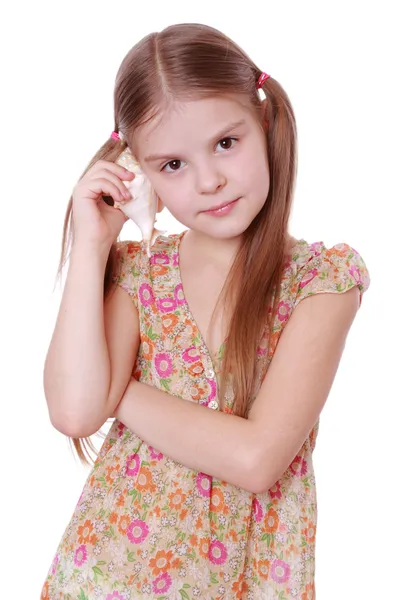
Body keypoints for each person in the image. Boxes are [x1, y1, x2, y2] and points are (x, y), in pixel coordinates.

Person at [40, 22, 370, 600]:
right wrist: (92, 246)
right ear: (137, 171)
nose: (210, 180)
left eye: (225, 143)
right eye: (172, 165)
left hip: (247, 579)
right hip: (113, 577)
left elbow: (256, 458)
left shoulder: (322, 282)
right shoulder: (139, 273)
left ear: (264, 125)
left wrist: (113, 393)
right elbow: (72, 413)